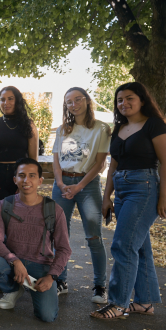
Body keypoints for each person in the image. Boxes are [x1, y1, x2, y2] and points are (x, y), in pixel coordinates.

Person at [91, 82, 166, 320]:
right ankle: (144, 302)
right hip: (123, 188)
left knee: (123, 245)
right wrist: (107, 197)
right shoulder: (119, 128)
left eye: (129, 98)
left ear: (142, 100)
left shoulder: (154, 125)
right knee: (139, 247)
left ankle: (118, 303)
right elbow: (113, 164)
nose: (123, 103)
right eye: (119, 100)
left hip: (144, 188)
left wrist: (164, 195)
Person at [0, 158, 71, 323]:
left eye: (32, 176)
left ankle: (33, 287)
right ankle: (13, 289)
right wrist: (15, 261)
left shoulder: (54, 209)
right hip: (13, 262)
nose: (26, 180)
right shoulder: (4, 205)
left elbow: (64, 249)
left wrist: (52, 276)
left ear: (40, 181)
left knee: (47, 316)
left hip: (41, 266)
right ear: (14, 179)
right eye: (22, 175)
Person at [52, 87, 111, 302]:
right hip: (63, 183)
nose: (74, 104)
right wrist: (59, 183)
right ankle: (60, 280)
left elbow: (99, 163)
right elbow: (56, 160)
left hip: (88, 184)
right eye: (69, 101)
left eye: (78, 99)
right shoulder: (62, 129)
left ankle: (99, 286)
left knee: (93, 236)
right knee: (59, 234)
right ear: (65, 105)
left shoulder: (101, 128)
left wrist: (79, 186)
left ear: (87, 101)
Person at [0, 86, 39, 209]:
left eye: (10, 99)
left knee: (18, 215)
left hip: (20, 175)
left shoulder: (29, 125)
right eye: (2, 99)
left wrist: (26, 181)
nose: (6, 103)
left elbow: (33, 159)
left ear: (17, 101)